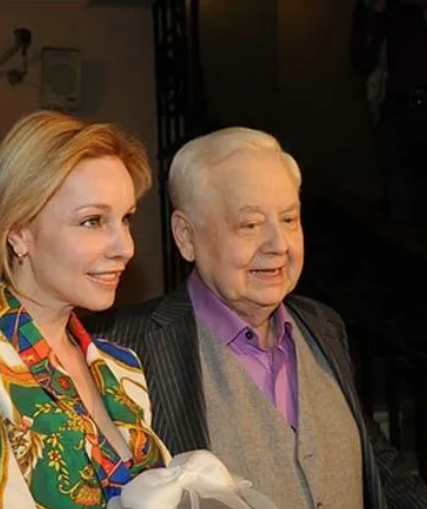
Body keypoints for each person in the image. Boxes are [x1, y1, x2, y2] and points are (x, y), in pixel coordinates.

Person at [84, 127, 427, 509]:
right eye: (250, 225)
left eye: (289, 219)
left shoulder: (323, 326)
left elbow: (375, 461)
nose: (279, 245)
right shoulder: (123, 349)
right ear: (186, 236)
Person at [0, 110, 171, 508]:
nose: (125, 247)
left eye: (127, 219)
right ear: (18, 231)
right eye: (92, 221)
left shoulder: (123, 367)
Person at [351, 0, 427, 229]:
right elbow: (361, 59)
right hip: (397, 114)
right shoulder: (385, 9)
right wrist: (375, 11)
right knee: (400, 207)